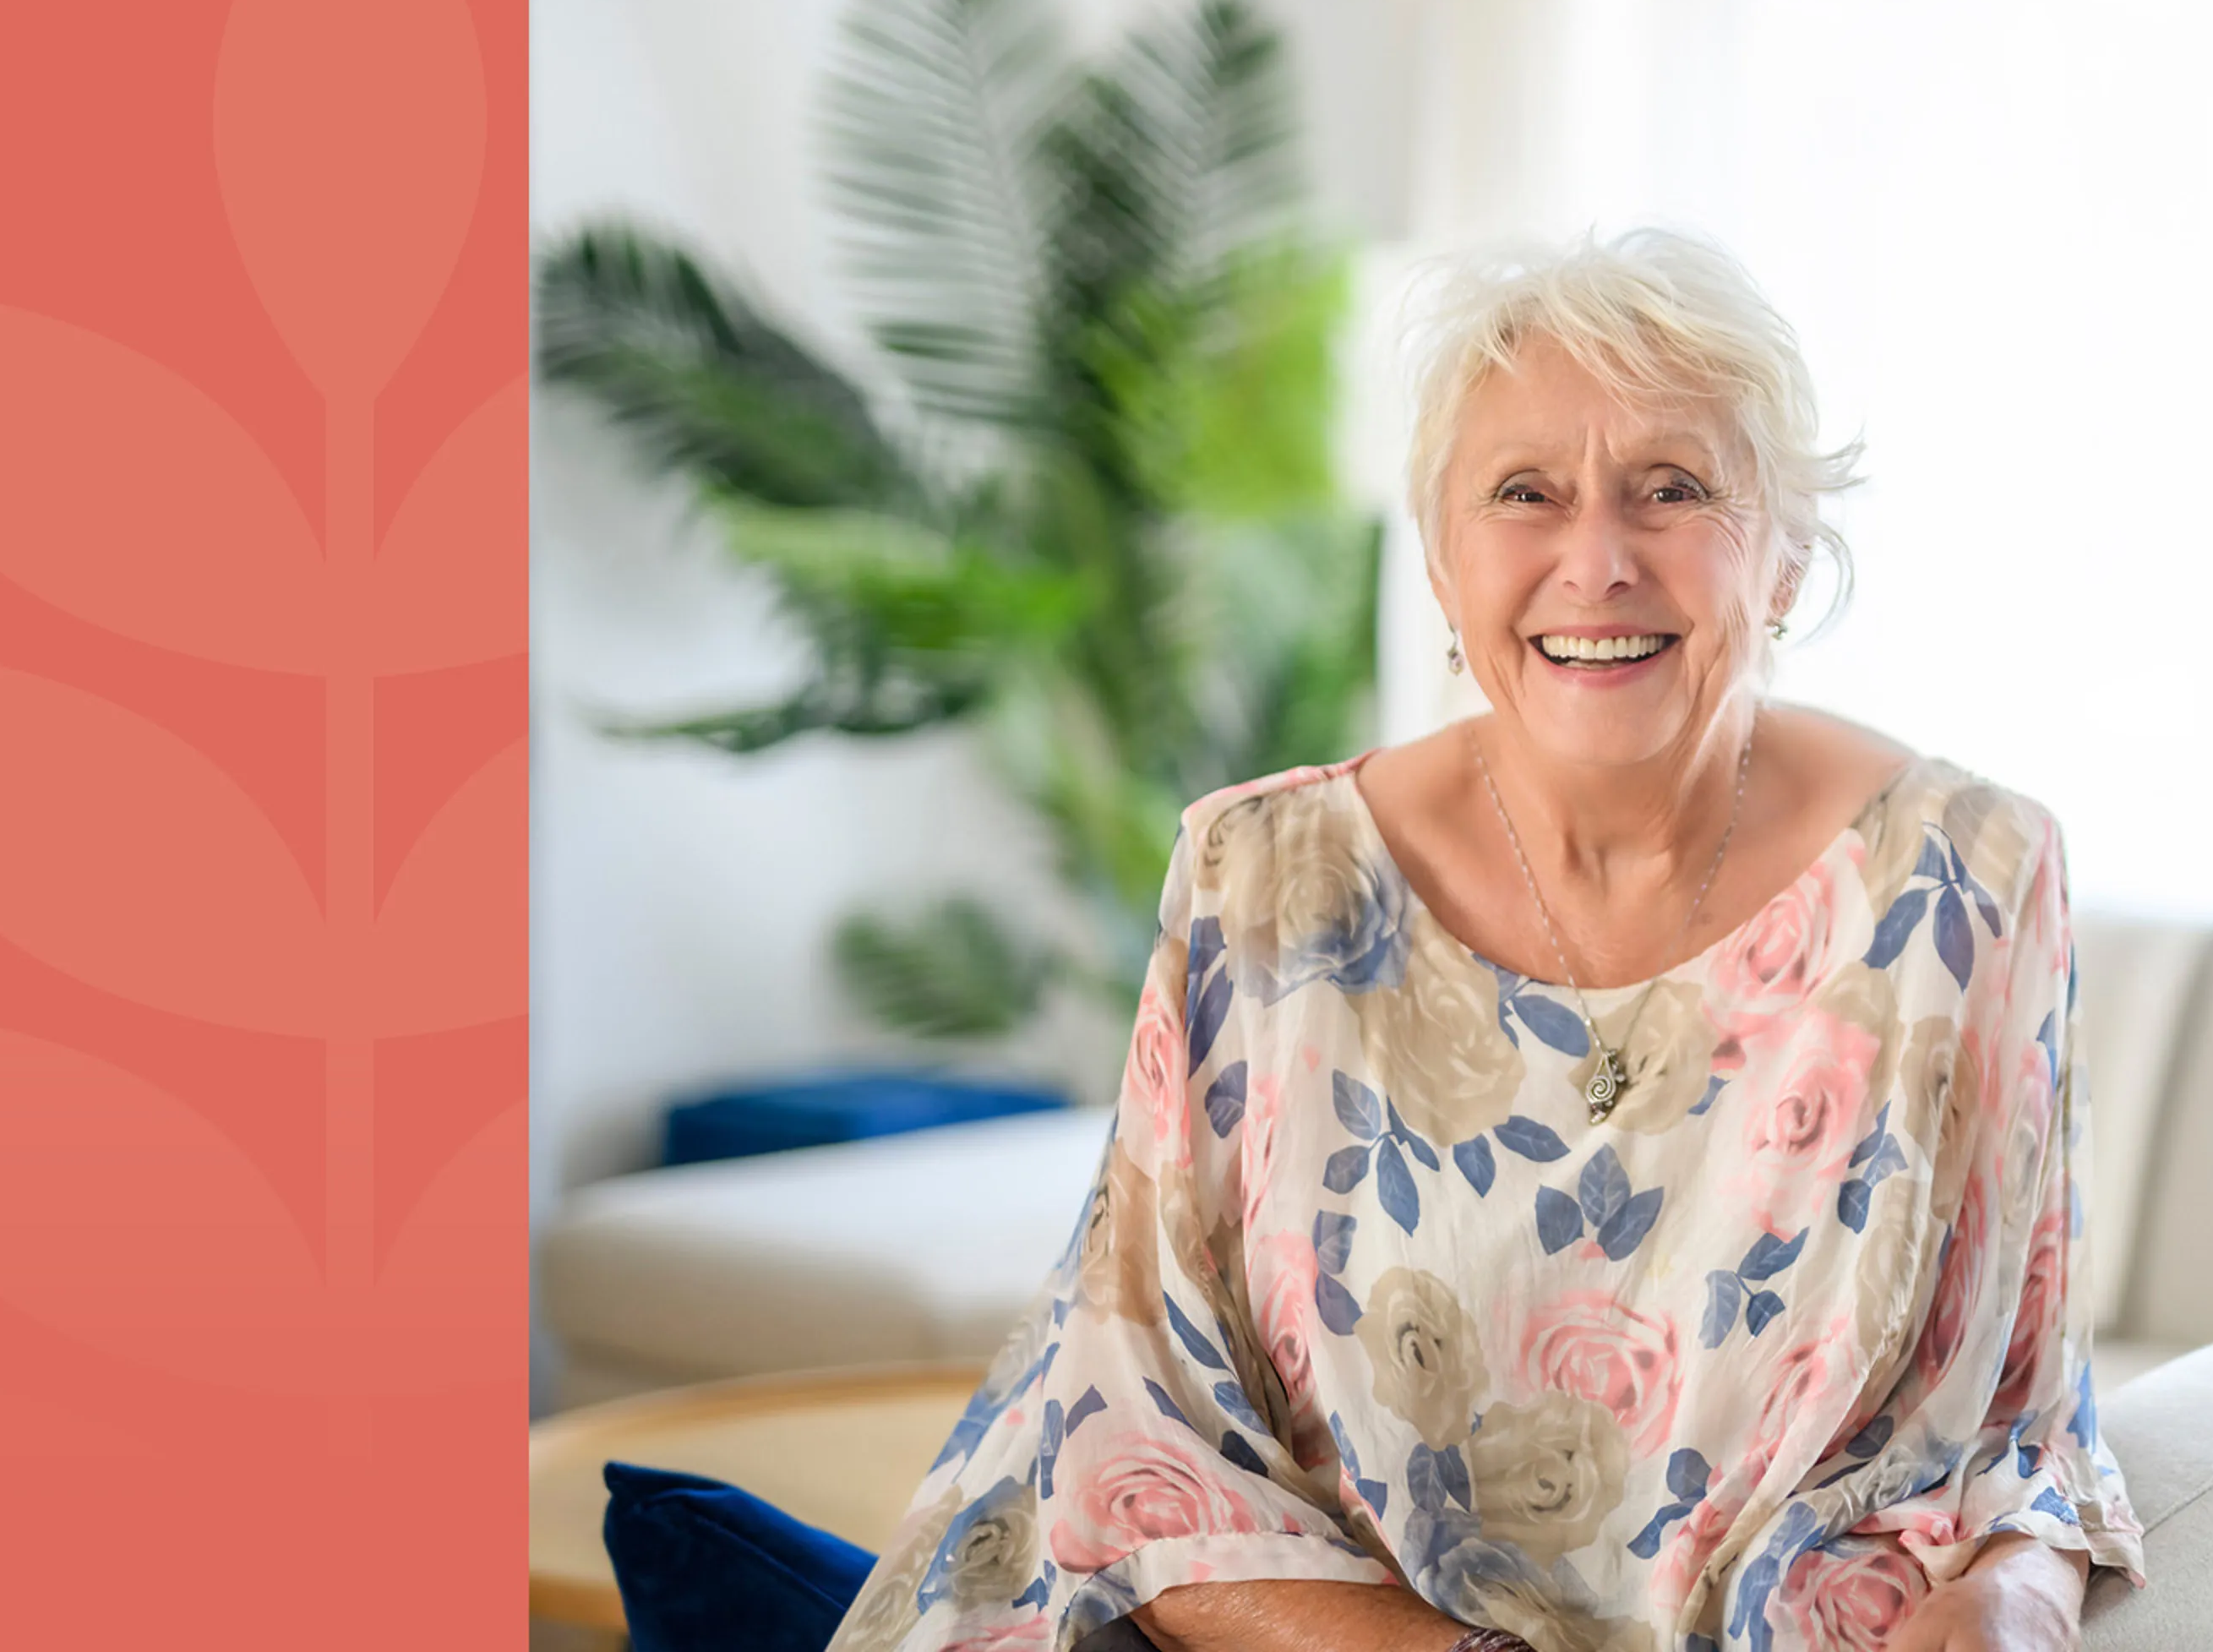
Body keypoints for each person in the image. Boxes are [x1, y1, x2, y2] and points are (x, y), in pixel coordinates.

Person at [820, 229, 2145, 1652]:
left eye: (1674, 490)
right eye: (1526, 493)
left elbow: (2017, 1401)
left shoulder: (1969, 883)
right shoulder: (1259, 877)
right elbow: (1127, 1424)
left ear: (1782, 563)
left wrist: (2023, 1581)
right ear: (1445, 567)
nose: (1599, 559)